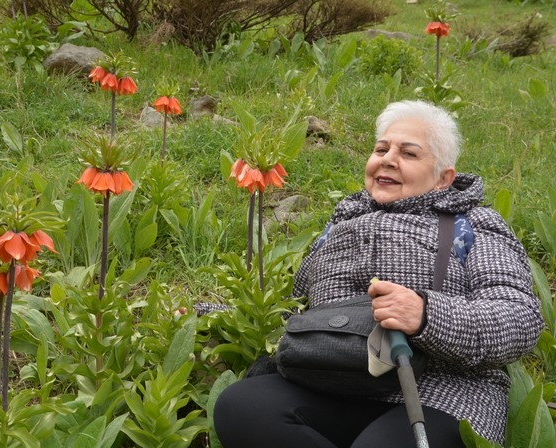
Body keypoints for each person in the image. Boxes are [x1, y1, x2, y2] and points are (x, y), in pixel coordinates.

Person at [212, 100, 544, 447]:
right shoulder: (343, 221)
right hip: (330, 378)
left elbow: (519, 317)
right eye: (381, 149)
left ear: (444, 178)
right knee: (241, 406)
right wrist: (214, 317)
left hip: (438, 392)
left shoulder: (472, 224)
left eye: (409, 153)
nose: (387, 158)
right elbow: (298, 310)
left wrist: (426, 315)